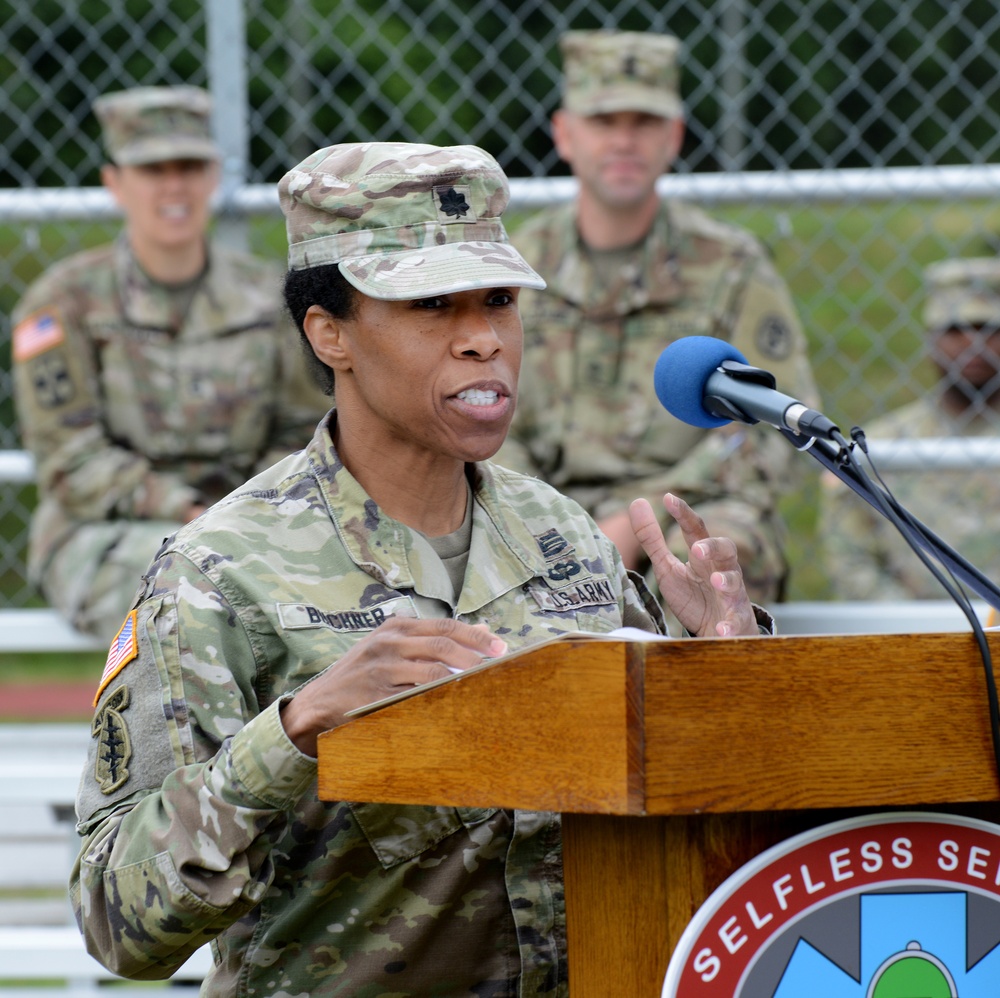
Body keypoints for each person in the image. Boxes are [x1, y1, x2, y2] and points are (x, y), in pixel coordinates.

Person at [70, 141, 769, 995]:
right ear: (330, 334)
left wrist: (725, 672)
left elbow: (696, 830)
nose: (482, 341)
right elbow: (117, 921)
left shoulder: (564, 536)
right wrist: (290, 736)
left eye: (499, 301)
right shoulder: (220, 573)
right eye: (432, 305)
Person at [496, 30, 819, 614]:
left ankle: (706, 706)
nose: (624, 140)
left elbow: (769, 425)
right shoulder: (515, 266)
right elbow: (483, 405)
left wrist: (634, 516)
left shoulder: (729, 266)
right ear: (564, 134)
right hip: (536, 509)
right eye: (603, 120)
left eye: (644, 122)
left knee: (720, 555)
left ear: (674, 137)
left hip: (686, 506)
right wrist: (554, 522)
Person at [11, 85, 329, 640]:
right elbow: (70, 457)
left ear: (213, 177)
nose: (174, 185)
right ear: (114, 183)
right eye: (153, 169)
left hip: (255, 517)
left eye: (189, 166)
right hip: (107, 531)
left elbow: (305, 430)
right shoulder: (64, 303)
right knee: (183, 598)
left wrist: (246, 512)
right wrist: (185, 511)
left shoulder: (268, 297)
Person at [821, 257, 1000, 600]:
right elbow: (850, 558)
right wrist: (917, 629)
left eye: (988, 329)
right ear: (929, 340)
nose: (973, 343)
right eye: (954, 330)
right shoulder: (879, 445)